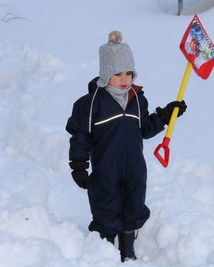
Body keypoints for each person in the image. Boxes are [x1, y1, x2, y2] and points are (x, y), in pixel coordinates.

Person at [66, 30, 187, 262]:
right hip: (105, 169)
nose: (125, 79)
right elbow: (79, 135)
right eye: (118, 73)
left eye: (129, 73)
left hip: (134, 167)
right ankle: (104, 245)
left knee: (134, 204)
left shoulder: (137, 99)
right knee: (106, 206)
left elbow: (144, 129)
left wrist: (165, 116)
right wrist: (79, 165)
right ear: (105, 75)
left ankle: (128, 245)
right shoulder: (90, 104)